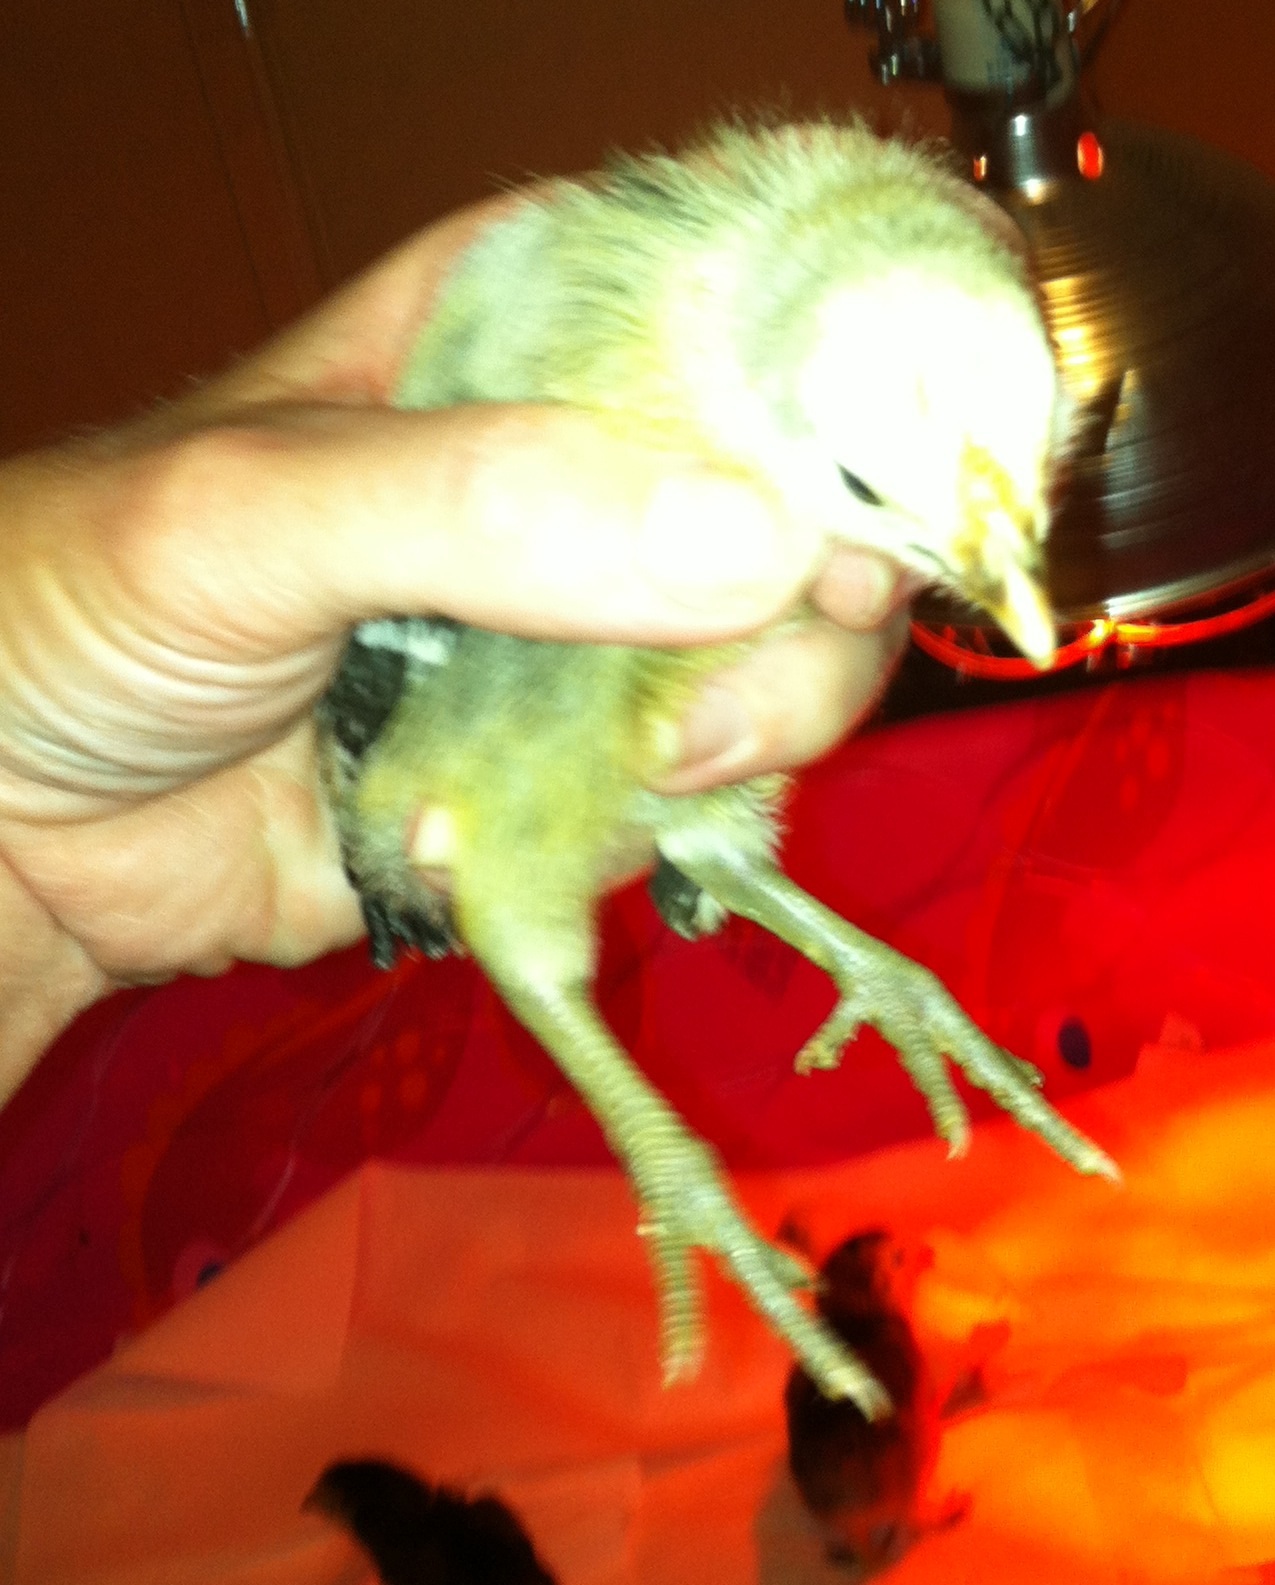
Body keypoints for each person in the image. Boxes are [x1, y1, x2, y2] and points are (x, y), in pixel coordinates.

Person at [0, 192, 912, 1107]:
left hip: (343, 784)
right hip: (414, 765)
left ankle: (792, 951)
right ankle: (672, 1135)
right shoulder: (586, 370)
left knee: (700, 750)